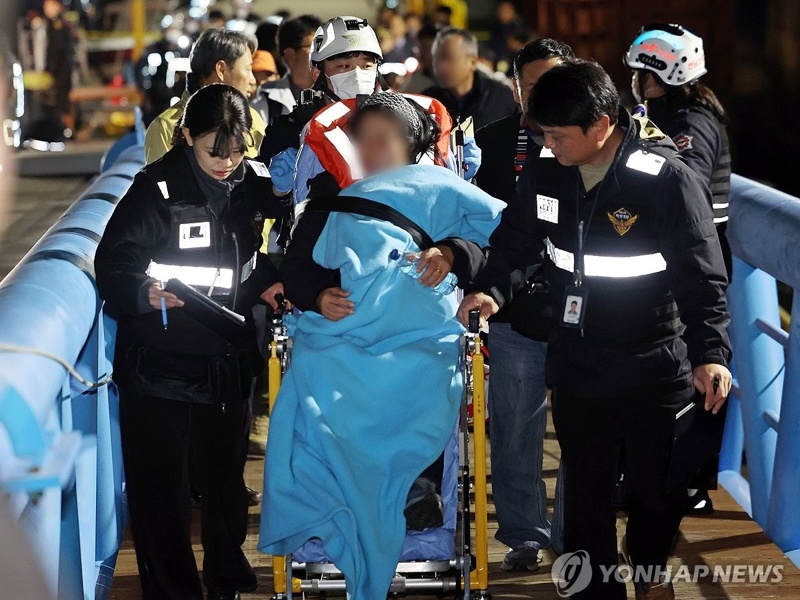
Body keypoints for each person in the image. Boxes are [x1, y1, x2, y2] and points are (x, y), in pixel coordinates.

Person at [460, 60, 732, 600]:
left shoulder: (666, 181)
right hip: (579, 361)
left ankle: (650, 565)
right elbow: (516, 243)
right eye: (544, 135)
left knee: (657, 494)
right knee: (584, 496)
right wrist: (491, 289)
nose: (551, 145)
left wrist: (711, 355)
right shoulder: (547, 171)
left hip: (654, 363)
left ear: (603, 123)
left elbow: (703, 277)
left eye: (560, 135)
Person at [260, 91, 505, 600]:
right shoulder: (329, 192)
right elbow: (299, 267)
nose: (370, 150)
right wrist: (317, 294)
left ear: (412, 146)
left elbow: (488, 243)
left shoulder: (441, 187)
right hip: (344, 334)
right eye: (361, 139)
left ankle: (410, 488)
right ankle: (347, 495)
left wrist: (451, 253)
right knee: (320, 379)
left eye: (382, 139)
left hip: (417, 334)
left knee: (424, 378)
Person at [95, 84, 289, 600]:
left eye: (237, 149)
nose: (227, 162)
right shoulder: (153, 190)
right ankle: (173, 589)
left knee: (226, 485)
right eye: (213, 151)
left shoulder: (250, 183)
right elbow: (112, 264)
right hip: (159, 366)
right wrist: (143, 290)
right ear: (185, 138)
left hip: (226, 359)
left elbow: (243, 257)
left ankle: (227, 578)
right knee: (162, 493)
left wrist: (266, 279)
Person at [472, 37, 573, 572]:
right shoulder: (487, 143)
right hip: (510, 304)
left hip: (582, 304)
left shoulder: (592, 141)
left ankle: (573, 535)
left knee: (582, 428)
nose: (544, 97)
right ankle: (525, 536)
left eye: (555, 83)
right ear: (515, 88)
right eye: (533, 86)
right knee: (513, 428)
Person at [625, 23, 733, 517]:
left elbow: (686, 183)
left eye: (638, 73)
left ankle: (688, 482)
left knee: (692, 373)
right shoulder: (663, 113)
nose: (631, 81)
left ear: (657, 75)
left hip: (691, 264)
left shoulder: (691, 122)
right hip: (678, 262)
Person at [144, 28, 265, 164]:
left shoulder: (254, 121)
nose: (253, 80)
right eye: (248, 69)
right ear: (221, 70)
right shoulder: (166, 128)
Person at [423, 27, 518, 130]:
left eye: (449, 58)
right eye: (437, 59)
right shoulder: (427, 102)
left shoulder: (500, 97)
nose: (441, 67)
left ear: (473, 61)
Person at [251, 14, 322, 127]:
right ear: (290, 55)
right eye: (314, 48)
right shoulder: (266, 104)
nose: (321, 54)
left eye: (323, 47)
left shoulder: (339, 95)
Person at [400, 24, 437, 94]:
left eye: (426, 48)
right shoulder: (416, 78)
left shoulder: (448, 83)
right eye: (419, 49)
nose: (420, 55)